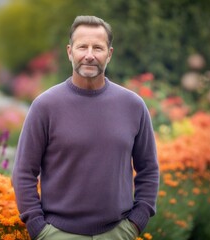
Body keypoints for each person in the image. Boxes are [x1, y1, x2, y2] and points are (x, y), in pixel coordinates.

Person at [12, 15, 159, 240]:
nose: (89, 55)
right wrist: (39, 228)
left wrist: (135, 223)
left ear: (109, 54)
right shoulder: (45, 106)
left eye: (98, 48)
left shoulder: (133, 105)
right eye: (82, 47)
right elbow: (24, 172)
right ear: (70, 51)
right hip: (57, 234)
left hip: (118, 233)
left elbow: (148, 168)